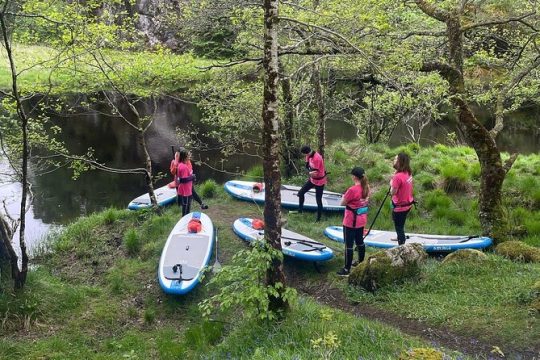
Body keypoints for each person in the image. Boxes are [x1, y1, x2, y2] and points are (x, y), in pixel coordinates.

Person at [337, 167, 370, 276]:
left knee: (349, 245)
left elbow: (342, 203)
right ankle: (361, 263)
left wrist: (344, 196)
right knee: (360, 241)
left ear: (354, 177)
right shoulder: (366, 188)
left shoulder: (352, 190)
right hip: (361, 219)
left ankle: (346, 269)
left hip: (350, 221)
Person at [297, 145, 327, 222]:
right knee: (300, 193)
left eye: (304, 154)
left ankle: (318, 219)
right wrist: (309, 172)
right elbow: (307, 166)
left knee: (318, 200)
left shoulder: (317, 158)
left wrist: (309, 172)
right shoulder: (308, 156)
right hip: (312, 180)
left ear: (307, 152)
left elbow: (315, 173)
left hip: (320, 181)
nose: (304, 156)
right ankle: (300, 211)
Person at [390, 152, 414, 245]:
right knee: (400, 223)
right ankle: (399, 235)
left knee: (399, 227)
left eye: (396, 159)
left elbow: (393, 192)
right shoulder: (408, 172)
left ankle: (402, 246)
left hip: (400, 207)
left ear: (400, 162)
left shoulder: (397, 177)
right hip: (408, 204)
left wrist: (391, 182)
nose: (394, 160)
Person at [176, 148, 194, 217]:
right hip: (186, 189)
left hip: (185, 188)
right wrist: (192, 177)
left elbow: (179, 178)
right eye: (188, 156)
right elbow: (183, 179)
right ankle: (184, 218)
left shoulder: (180, 164)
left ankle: (186, 216)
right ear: (184, 157)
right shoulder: (183, 167)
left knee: (186, 203)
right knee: (186, 204)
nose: (189, 157)